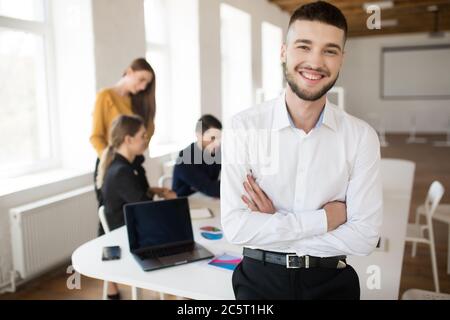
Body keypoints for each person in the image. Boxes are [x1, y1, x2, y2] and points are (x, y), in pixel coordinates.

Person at [221, 1, 383, 300]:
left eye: (329, 51)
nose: (315, 61)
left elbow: (364, 238)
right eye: (304, 46)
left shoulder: (361, 137)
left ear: (341, 60)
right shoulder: (243, 127)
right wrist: (325, 219)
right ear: (283, 51)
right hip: (258, 282)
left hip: (332, 282)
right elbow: (235, 228)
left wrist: (274, 224)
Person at [97, 115, 176, 299]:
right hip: (124, 234)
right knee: (177, 233)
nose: (146, 140)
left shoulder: (128, 165)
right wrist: (171, 203)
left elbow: (138, 197)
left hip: (130, 226)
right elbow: (146, 208)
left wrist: (154, 190)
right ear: (128, 139)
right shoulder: (121, 172)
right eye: (143, 136)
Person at [90, 58, 156, 213]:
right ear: (129, 72)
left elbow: (148, 132)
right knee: (113, 217)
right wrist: (113, 161)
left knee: (141, 213)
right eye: (141, 80)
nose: (143, 86)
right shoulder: (105, 96)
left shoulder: (138, 101)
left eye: (147, 83)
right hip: (111, 165)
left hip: (132, 164)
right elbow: (96, 136)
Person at [172, 115, 222, 198]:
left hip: (205, 200)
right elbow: (211, 188)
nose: (217, 143)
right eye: (212, 138)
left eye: (219, 138)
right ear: (199, 135)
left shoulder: (216, 152)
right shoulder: (185, 159)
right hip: (186, 205)